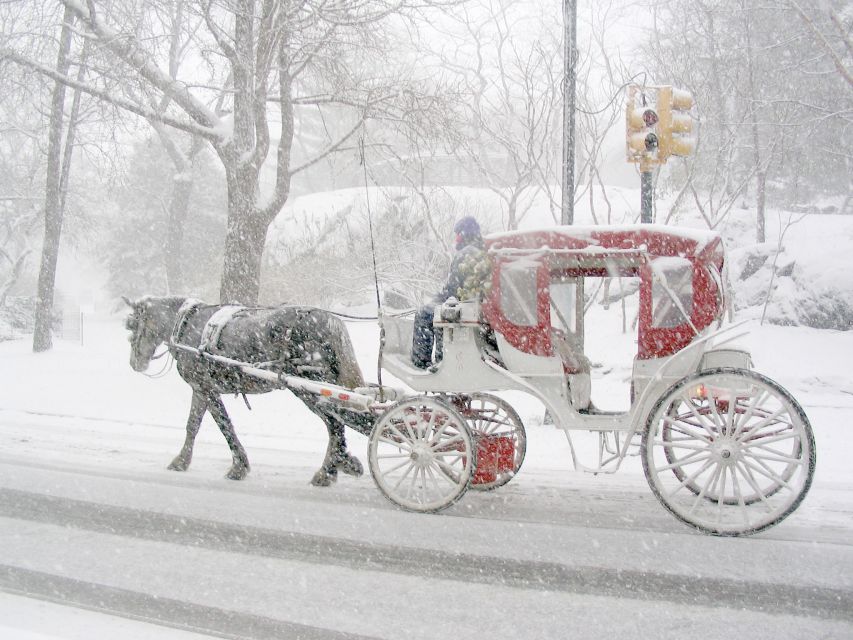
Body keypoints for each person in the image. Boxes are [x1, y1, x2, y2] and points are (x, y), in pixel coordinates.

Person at [411, 216, 485, 369]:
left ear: (464, 234)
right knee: (435, 311)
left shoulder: (466, 253)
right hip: (472, 305)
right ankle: (441, 359)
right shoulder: (480, 251)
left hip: (462, 306)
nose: (456, 238)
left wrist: (436, 300)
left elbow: (452, 289)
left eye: (457, 234)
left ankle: (422, 362)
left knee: (424, 314)